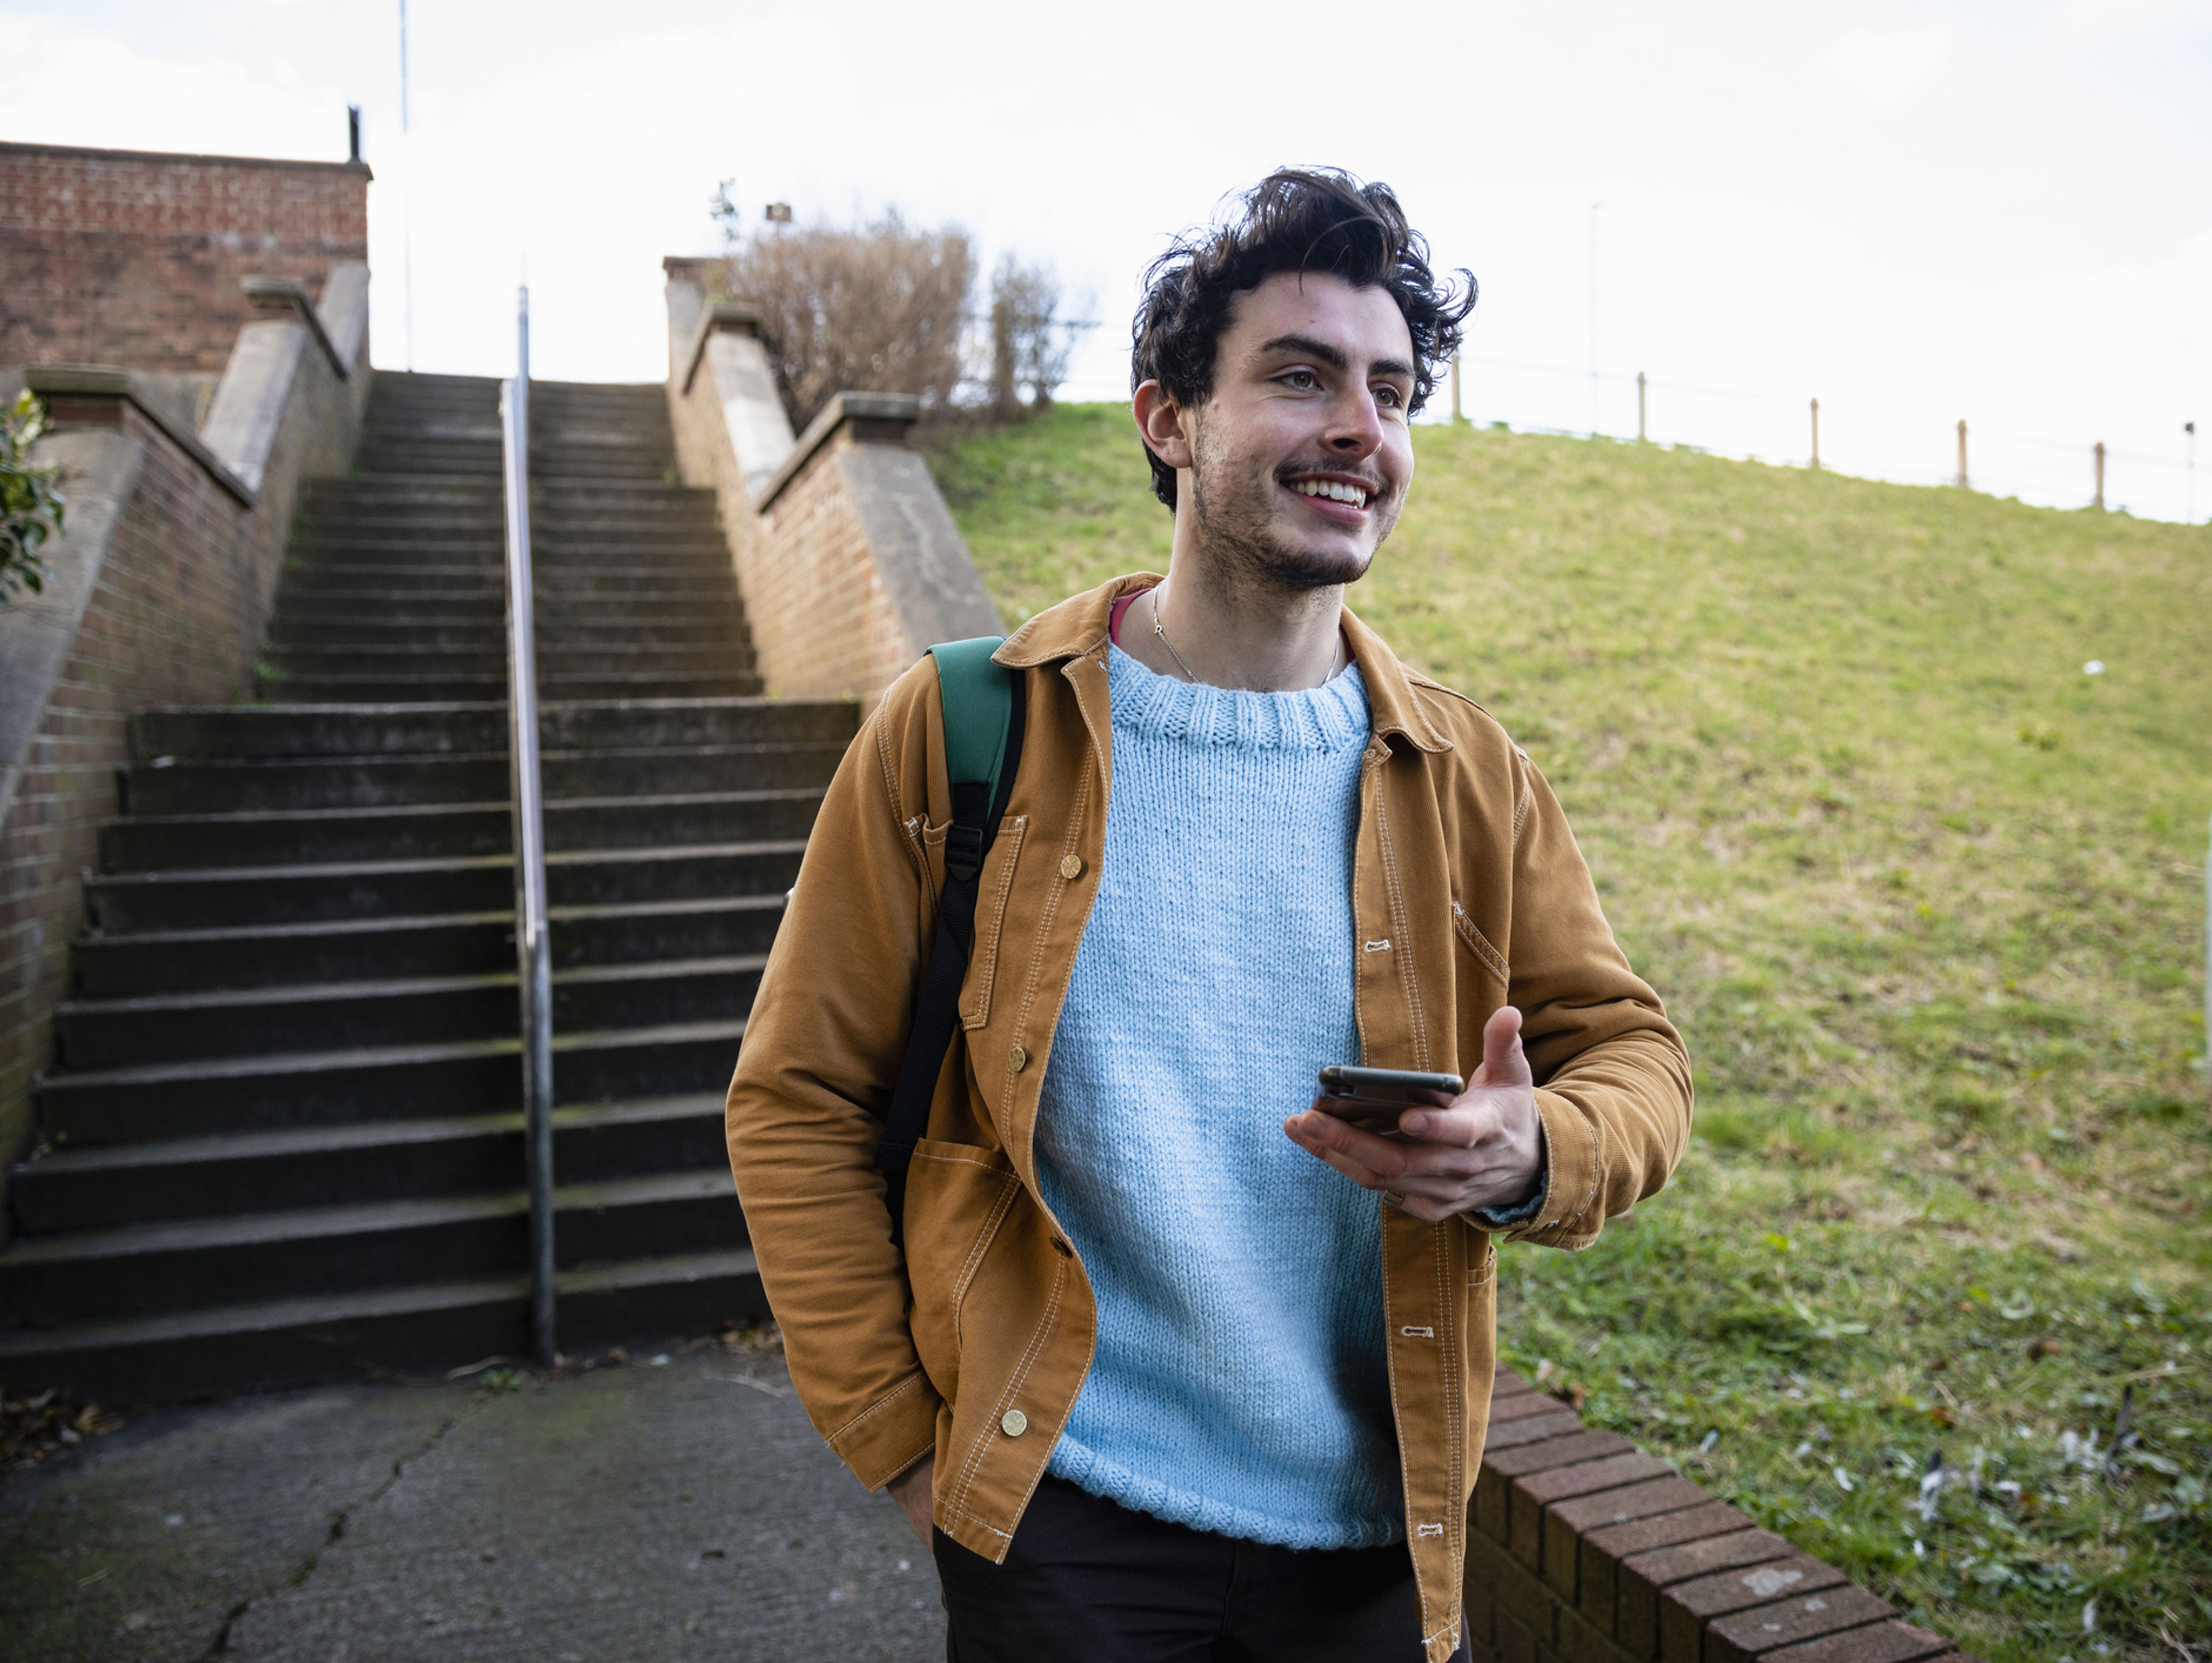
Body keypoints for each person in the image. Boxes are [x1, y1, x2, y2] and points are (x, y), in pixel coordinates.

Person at [725, 168, 1692, 1663]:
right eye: (1299, 377)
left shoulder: (1469, 775)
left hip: (1375, 1546)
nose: (1358, 426)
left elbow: (1635, 1058)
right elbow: (796, 1101)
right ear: (1167, 420)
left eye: (1390, 388)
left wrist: (1534, 1149)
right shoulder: (969, 730)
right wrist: (909, 1450)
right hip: (1067, 1526)